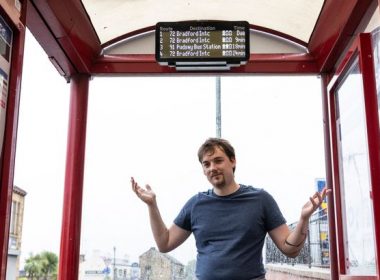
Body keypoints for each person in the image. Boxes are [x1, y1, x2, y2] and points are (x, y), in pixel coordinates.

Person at [131, 138, 329, 280]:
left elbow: (289, 249)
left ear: (233, 161)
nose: (212, 168)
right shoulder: (195, 204)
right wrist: (152, 205)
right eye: (206, 164)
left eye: (218, 160)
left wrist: (303, 219)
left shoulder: (260, 200)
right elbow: (165, 243)